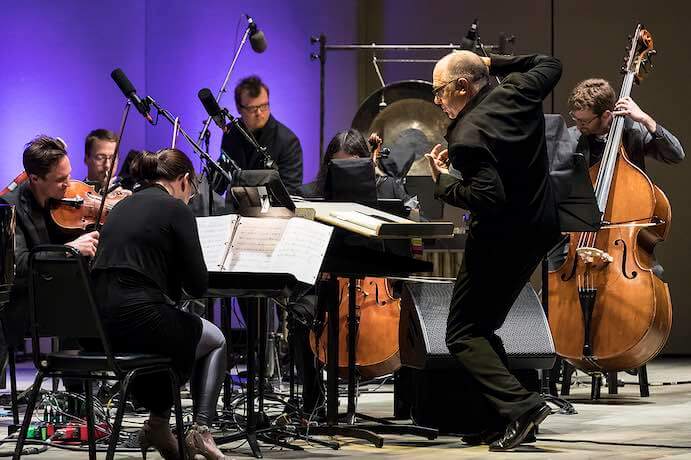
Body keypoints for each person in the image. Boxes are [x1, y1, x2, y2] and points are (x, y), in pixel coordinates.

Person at [425, 51, 562, 450]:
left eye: (440, 91)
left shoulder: (465, 135)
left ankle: (523, 407)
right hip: (538, 230)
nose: (437, 100)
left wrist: (444, 182)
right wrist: (494, 61)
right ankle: (500, 417)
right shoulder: (519, 89)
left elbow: (488, 196)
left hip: (500, 240)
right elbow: (550, 64)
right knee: (481, 329)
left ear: (463, 87)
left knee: (462, 333)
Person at [90, 149, 228, 460]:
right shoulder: (175, 210)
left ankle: (159, 427)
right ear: (183, 181)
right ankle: (201, 432)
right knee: (216, 339)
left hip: (98, 325)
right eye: (190, 191)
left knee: (172, 326)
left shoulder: (122, 206)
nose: (190, 198)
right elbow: (197, 286)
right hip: (140, 319)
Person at [0, 136, 99, 348]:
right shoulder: (11, 208)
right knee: (80, 303)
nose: (68, 184)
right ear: (35, 179)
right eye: (60, 179)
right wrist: (69, 250)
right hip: (30, 297)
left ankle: (97, 368)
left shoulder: (69, 197)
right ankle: (76, 373)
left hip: (64, 289)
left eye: (69, 175)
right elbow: (21, 264)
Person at [566, 78, 684, 171]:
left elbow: (676, 156)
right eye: (575, 118)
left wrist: (646, 120)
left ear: (606, 115)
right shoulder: (570, 137)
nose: (578, 125)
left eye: (584, 121)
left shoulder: (633, 131)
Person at [219, 76, 303, 194]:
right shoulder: (231, 132)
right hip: (234, 207)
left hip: (272, 210)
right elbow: (222, 181)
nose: (259, 113)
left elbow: (290, 190)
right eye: (252, 108)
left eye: (264, 106)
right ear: (239, 108)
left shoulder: (288, 141)